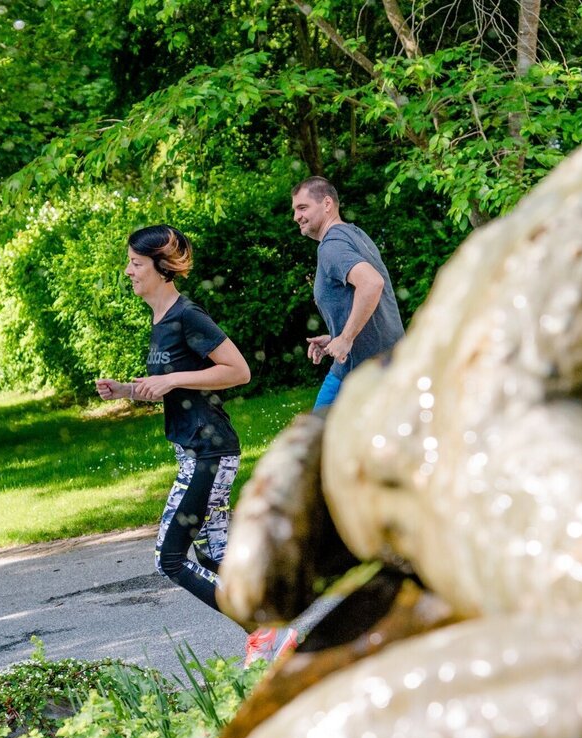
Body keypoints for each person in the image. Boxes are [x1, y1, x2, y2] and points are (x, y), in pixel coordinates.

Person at [95, 224, 293, 666]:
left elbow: (238, 370)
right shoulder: (160, 321)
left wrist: (173, 379)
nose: (128, 271)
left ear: (160, 268)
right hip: (199, 450)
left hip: (209, 451)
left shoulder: (187, 316)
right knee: (216, 553)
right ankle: (275, 627)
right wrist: (127, 390)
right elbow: (177, 388)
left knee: (170, 558)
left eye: (135, 263)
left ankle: (262, 631)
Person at [292, 176, 405, 410]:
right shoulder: (355, 235)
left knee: (321, 431)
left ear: (327, 203)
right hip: (386, 363)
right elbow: (364, 299)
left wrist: (346, 338)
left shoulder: (331, 246)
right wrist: (335, 336)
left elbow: (371, 284)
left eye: (302, 207)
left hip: (360, 371)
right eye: (295, 210)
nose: (296, 217)